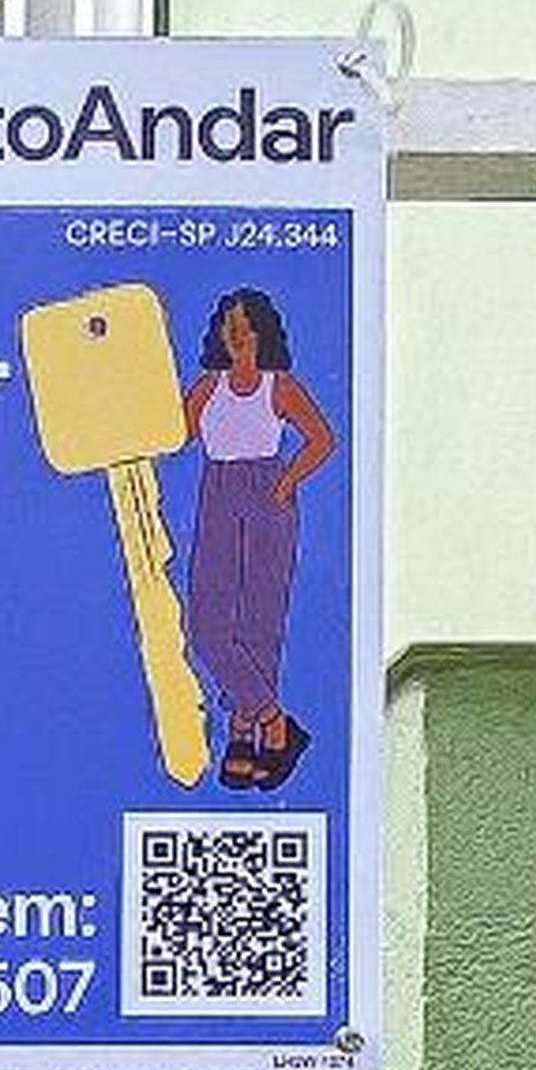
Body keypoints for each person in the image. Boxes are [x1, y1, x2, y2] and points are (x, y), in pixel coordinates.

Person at [178, 288, 338, 791]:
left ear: (261, 329)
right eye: (228, 321)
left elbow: (322, 439)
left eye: (243, 321)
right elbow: (175, 435)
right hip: (218, 494)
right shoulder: (207, 387)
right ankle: (274, 721)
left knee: (259, 622)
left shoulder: (279, 386)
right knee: (206, 626)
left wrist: (287, 482)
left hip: (267, 495)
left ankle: (243, 730)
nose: (235, 330)